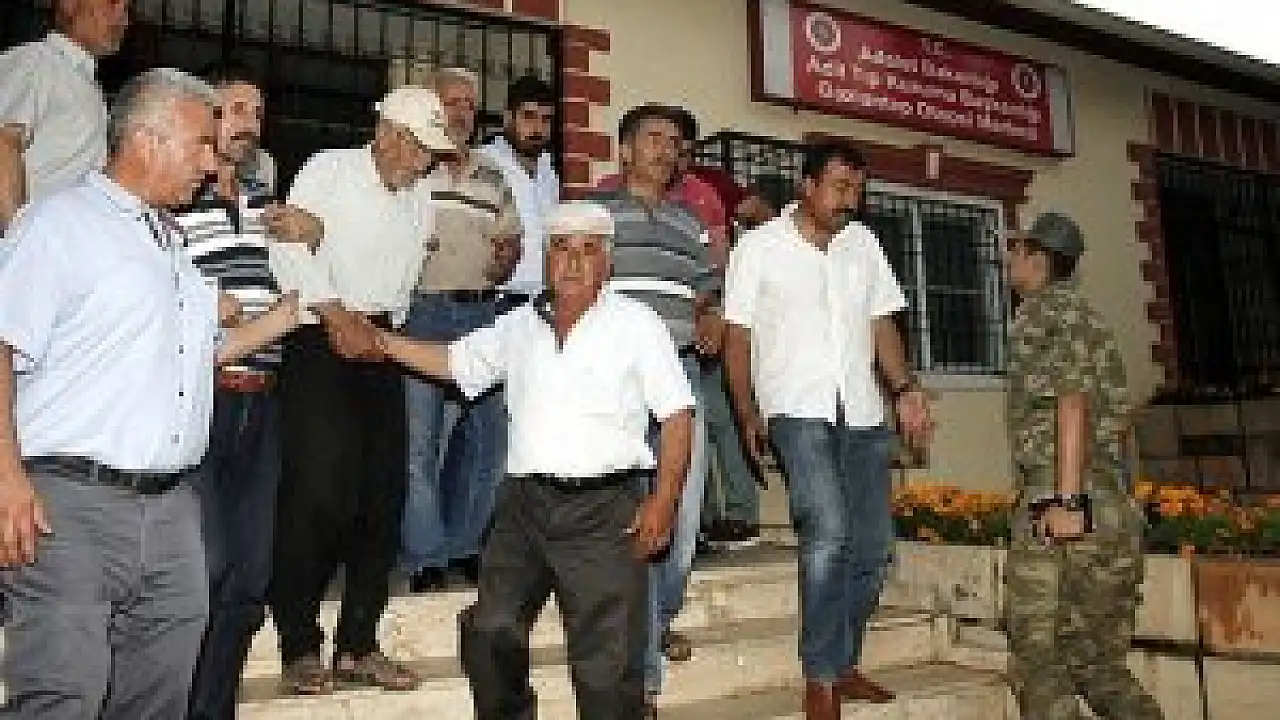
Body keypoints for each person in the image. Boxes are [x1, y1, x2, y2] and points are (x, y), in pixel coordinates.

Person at [0, 67, 298, 720]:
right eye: (200, 143)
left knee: (157, 700)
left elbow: (197, 354)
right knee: (63, 695)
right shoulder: (59, 224)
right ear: (145, 140)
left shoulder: (168, 241)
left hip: (170, 509)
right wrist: (6, 479)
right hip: (71, 505)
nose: (211, 162)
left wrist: (285, 318)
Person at [374, 201, 694, 720]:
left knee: (608, 669)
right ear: (547, 258)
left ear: (607, 261)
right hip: (524, 508)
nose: (573, 262)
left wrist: (664, 501)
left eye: (588, 250)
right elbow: (455, 361)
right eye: (561, 249)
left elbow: (678, 416)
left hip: (606, 510)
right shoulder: (519, 325)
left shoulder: (637, 325)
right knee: (489, 629)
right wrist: (381, 341)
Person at [722, 141, 933, 720]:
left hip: (861, 411)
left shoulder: (864, 245)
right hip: (795, 408)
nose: (850, 199)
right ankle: (820, 677)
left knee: (873, 547)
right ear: (807, 186)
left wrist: (905, 389)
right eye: (840, 187)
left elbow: (882, 323)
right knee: (828, 532)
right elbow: (737, 336)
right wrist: (746, 412)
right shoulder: (759, 247)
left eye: (858, 189)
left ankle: (842, 662)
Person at [266, 84, 453, 695]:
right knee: (317, 492)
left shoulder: (421, 196)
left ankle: (358, 644)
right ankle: (298, 644)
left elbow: (402, 281)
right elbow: (287, 248)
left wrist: (381, 334)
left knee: (383, 495)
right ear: (388, 134)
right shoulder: (330, 170)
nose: (425, 162)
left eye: (430, 152)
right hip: (319, 337)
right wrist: (336, 314)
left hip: (380, 343)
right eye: (420, 148)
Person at [176, 60, 321, 720]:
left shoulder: (268, 204)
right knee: (201, 572)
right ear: (203, 114)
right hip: (201, 400)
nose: (249, 123)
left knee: (249, 577)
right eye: (235, 109)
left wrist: (316, 231)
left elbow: (313, 266)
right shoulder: (174, 200)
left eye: (257, 113)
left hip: (264, 400)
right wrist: (214, 303)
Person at [1003, 212, 1164, 720]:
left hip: (1061, 497)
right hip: (1113, 506)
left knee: (1037, 662)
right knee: (1100, 668)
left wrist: (1067, 501)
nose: (1009, 258)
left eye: (1016, 248)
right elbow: (1118, 417)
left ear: (1037, 257)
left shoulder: (1040, 313)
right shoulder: (1092, 319)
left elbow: (1071, 399)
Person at [591, 103, 721, 708]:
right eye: (653, 138)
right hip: (616, 384)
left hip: (681, 380)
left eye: (674, 141)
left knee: (683, 522)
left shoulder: (690, 223)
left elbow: (707, 293)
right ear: (624, 150)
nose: (666, 149)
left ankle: (658, 619)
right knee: (638, 522)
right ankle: (644, 677)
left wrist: (712, 317)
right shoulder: (596, 215)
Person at [401, 67, 522, 593]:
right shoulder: (413, 170)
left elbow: (511, 240)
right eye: (452, 102)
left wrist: (506, 256)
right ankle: (426, 555)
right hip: (423, 315)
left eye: (470, 105)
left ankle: (466, 545)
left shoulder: (492, 176)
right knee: (420, 446)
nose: (462, 113)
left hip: (482, 315)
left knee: (489, 441)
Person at [0, 0, 129, 232]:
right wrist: (17, 238)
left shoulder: (83, 82)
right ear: (69, 4)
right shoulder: (35, 61)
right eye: (112, 3)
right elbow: (4, 145)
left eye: (127, 8)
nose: (123, 17)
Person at [479, 73, 560, 312]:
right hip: (497, 300)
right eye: (529, 116)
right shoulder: (484, 163)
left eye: (546, 119)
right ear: (508, 118)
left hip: (543, 300)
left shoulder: (549, 172)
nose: (538, 128)